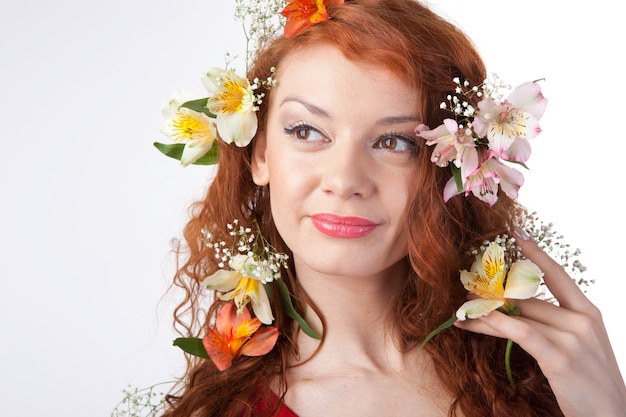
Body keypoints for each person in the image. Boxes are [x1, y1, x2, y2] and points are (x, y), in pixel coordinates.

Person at [156, 0, 626, 416]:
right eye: (306, 132)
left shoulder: (541, 380)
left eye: (393, 141)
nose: (344, 181)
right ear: (259, 154)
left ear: (449, 166)